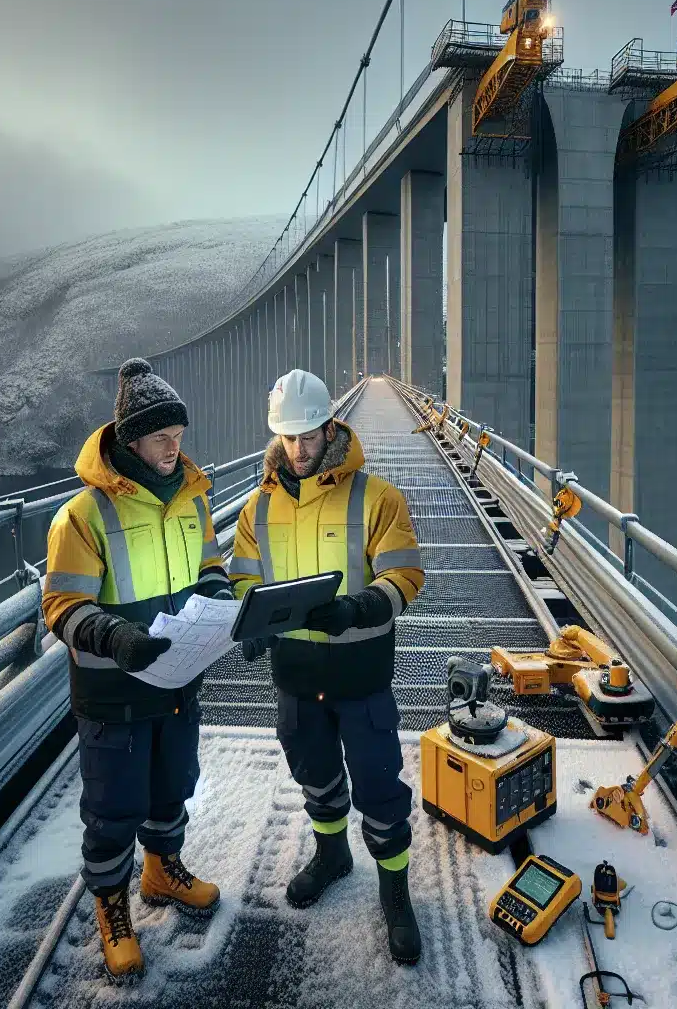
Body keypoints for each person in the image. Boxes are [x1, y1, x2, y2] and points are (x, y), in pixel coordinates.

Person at [228, 368, 427, 964]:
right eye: (289, 438)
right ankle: (333, 853)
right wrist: (252, 622)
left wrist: (362, 605)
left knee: (378, 785)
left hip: (359, 674)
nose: (299, 448)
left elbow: (405, 574)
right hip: (295, 678)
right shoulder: (257, 508)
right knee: (314, 773)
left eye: (308, 435)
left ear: (328, 427)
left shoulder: (377, 497)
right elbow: (243, 576)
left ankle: (396, 894)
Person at [42, 357, 231, 982]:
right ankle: (112, 906)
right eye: (161, 438)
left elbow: (210, 569)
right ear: (130, 441)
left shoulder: (193, 501)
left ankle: (162, 870)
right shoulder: (82, 515)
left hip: (177, 678)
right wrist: (116, 636)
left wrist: (224, 605)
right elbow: (61, 607)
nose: (174, 448)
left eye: (179, 436)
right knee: (113, 806)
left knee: (172, 783)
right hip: (114, 689)